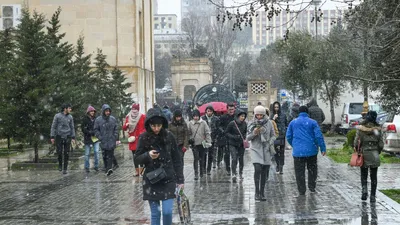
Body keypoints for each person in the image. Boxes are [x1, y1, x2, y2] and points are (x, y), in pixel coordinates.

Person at [134, 108, 184, 225]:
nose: (156, 129)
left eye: (159, 125)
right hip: (151, 180)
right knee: (155, 213)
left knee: (167, 212)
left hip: (168, 179)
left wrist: (180, 180)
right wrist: (148, 155)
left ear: (163, 124)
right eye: (153, 126)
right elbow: (136, 159)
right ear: (149, 124)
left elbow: (177, 159)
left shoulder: (169, 136)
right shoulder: (143, 138)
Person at [286, 106, 326, 196]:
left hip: (298, 152)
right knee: (312, 170)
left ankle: (301, 190)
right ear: (307, 112)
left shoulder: (293, 122)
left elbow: (288, 136)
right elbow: (318, 136)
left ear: (299, 113)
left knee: (299, 171)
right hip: (311, 151)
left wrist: (294, 145)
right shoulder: (313, 122)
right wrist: (322, 148)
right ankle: (312, 187)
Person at [247, 105, 276, 201]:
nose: (259, 117)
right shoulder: (251, 123)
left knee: (264, 171)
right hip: (255, 148)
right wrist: (254, 133)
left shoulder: (269, 123)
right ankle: (256, 192)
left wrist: (269, 142)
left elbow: (273, 135)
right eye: (257, 115)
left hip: (266, 149)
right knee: (258, 168)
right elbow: (247, 138)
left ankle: (262, 192)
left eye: (261, 115)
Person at [354, 111, 384, 203]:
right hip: (374, 154)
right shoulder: (378, 129)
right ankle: (372, 196)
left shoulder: (360, 129)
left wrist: (358, 149)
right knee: (373, 176)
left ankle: (364, 191)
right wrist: (377, 151)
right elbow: (381, 144)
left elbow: (356, 142)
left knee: (364, 175)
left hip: (364, 154)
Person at [94, 104, 120, 176]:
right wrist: (100, 137)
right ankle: (107, 168)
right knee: (104, 155)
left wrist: (115, 136)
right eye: (106, 111)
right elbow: (96, 130)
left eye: (109, 111)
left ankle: (109, 168)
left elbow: (116, 128)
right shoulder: (98, 120)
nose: (108, 112)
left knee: (110, 155)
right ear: (103, 111)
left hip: (111, 140)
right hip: (103, 141)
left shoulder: (112, 119)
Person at [50, 103, 76, 174]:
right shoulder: (57, 116)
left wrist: (73, 137)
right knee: (59, 152)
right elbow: (53, 126)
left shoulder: (70, 117)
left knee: (66, 153)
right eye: (69, 108)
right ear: (65, 109)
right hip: (59, 136)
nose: (70, 109)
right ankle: (60, 164)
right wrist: (52, 136)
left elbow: (72, 127)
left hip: (68, 136)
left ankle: (65, 168)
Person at [123, 103, 146, 177]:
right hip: (133, 140)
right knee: (135, 156)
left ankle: (141, 171)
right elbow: (124, 128)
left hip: (141, 139)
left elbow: (146, 127)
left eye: (135, 109)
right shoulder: (128, 117)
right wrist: (126, 126)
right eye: (133, 109)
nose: (134, 110)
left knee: (141, 155)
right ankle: (137, 171)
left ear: (138, 109)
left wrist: (143, 133)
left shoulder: (142, 116)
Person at [188, 109, 212, 180]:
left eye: (197, 116)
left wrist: (208, 141)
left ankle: (201, 172)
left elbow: (207, 132)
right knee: (196, 159)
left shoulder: (203, 123)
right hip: (194, 144)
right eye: (194, 116)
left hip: (202, 143)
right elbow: (188, 133)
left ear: (199, 116)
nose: (195, 118)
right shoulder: (190, 123)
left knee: (202, 159)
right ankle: (196, 174)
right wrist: (189, 141)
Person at [225, 109, 247, 182]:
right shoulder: (232, 123)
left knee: (241, 159)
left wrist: (244, 137)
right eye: (241, 116)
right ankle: (234, 173)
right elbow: (227, 132)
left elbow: (245, 132)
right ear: (238, 116)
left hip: (241, 144)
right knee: (234, 158)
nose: (243, 118)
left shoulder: (245, 124)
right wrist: (233, 137)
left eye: (244, 116)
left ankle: (240, 173)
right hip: (232, 144)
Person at [201, 105, 220, 174]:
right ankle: (203, 169)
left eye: (210, 111)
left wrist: (216, 137)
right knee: (204, 154)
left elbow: (218, 129)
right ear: (206, 111)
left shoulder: (216, 119)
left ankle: (209, 169)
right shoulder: (202, 118)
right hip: (204, 139)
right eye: (208, 111)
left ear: (212, 112)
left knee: (211, 154)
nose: (209, 112)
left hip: (213, 139)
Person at [270, 101, 288, 174]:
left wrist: (284, 130)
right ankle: (277, 165)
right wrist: (273, 119)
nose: (276, 108)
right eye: (275, 107)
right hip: (275, 136)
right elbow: (270, 125)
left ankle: (281, 167)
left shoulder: (283, 115)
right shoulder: (271, 115)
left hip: (282, 135)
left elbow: (286, 123)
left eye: (277, 107)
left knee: (282, 151)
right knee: (276, 152)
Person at [219, 103, 236, 174]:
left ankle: (234, 168)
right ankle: (228, 169)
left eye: (232, 109)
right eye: (229, 109)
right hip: (226, 138)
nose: (231, 111)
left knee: (235, 155)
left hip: (235, 138)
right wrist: (223, 131)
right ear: (227, 109)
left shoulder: (237, 117)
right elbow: (219, 126)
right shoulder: (223, 117)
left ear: (234, 109)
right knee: (227, 154)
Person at [81, 105, 99, 172]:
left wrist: (95, 132)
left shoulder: (96, 119)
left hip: (95, 138)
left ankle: (96, 166)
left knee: (96, 152)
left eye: (93, 111)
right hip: (87, 138)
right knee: (87, 154)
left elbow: (98, 127)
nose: (92, 112)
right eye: (91, 111)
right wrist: (89, 132)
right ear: (88, 112)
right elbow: (83, 128)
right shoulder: (85, 119)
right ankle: (87, 167)